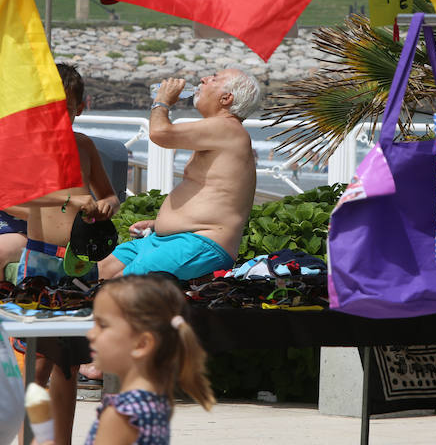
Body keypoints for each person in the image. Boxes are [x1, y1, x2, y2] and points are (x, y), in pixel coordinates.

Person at [17, 62, 120, 445]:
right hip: (41, 257)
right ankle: (29, 439)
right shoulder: (29, 146)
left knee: (69, 366)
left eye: (67, 105)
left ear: (79, 106)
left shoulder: (85, 146)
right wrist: (69, 199)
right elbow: (13, 199)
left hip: (80, 260)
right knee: (39, 364)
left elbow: (108, 194)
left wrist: (107, 204)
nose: (59, 113)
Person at [97, 68, 261, 281]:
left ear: (226, 98)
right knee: (96, 275)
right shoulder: (218, 131)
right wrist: (159, 224)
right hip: (167, 239)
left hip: (199, 243)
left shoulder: (228, 128)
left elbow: (160, 133)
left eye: (214, 78)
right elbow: (215, 195)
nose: (203, 78)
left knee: (117, 288)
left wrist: (162, 101)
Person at [33, 274, 215, 445]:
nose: (91, 334)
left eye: (102, 326)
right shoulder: (151, 400)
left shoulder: (121, 414)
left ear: (142, 344)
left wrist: (43, 437)